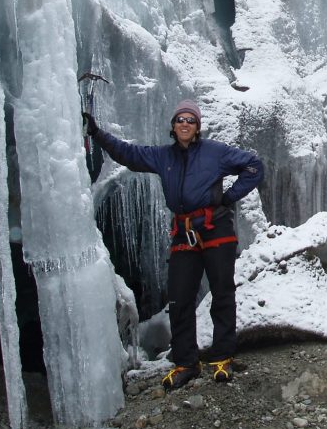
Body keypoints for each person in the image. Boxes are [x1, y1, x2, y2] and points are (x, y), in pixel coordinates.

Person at [83, 100, 264, 389]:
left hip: (216, 228)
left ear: (197, 127)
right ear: (173, 125)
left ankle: (222, 357)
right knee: (179, 297)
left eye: (190, 120)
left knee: (222, 292)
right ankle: (186, 362)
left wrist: (228, 197)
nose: (184, 124)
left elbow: (254, 166)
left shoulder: (215, 152)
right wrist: (97, 133)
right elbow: (128, 154)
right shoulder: (162, 156)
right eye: (180, 119)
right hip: (184, 232)